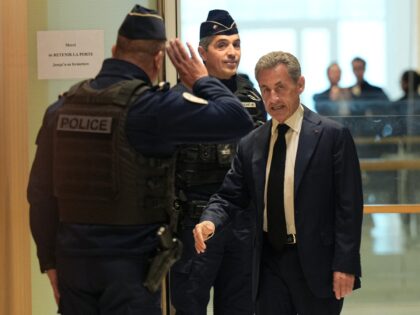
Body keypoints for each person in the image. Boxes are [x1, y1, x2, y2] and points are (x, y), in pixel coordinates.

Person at [27, 4, 254, 315]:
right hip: (130, 269)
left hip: (73, 264)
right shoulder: (152, 111)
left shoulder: (60, 110)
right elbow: (237, 120)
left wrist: (50, 262)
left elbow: (39, 195)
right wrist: (201, 80)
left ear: (113, 50)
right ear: (158, 59)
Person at [194, 51, 364, 315]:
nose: (273, 99)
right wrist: (210, 220)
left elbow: (349, 209)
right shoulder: (251, 143)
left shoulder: (332, 136)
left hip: (316, 264)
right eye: (265, 90)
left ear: (300, 85)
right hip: (268, 263)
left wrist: (346, 264)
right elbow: (229, 196)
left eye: (280, 88)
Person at [170, 9, 266, 315]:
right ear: (202, 51)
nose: (232, 53)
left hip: (242, 223)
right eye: (222, 45)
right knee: (189, 305)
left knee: (240, 307)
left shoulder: (251, 96)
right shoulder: (180, 98)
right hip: (194, 222)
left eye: (236, 44)